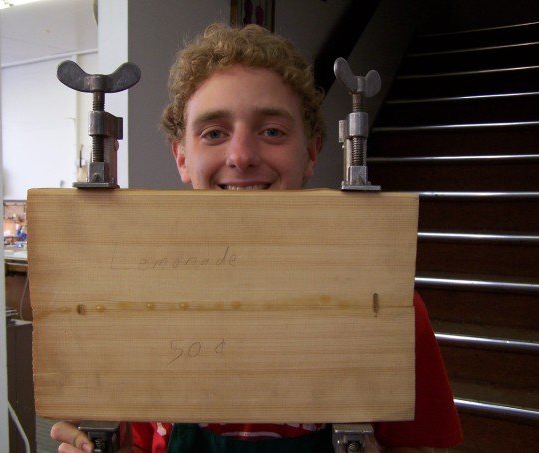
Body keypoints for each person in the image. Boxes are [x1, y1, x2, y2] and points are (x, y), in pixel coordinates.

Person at [51, 23, 462, 452]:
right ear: (181, 157)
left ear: (312, 152)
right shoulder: (132, 305)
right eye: (214, 133)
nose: (242, 156)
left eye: (272, 131)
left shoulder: (385, 307)